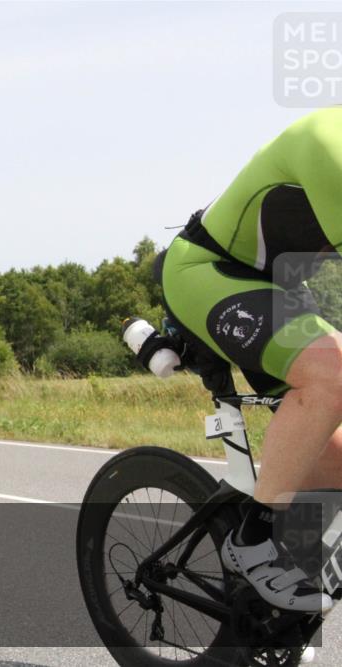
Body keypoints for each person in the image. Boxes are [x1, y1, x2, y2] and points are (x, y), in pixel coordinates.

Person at [160, 108, 342, 613]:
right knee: (333, 373)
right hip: (208, 271)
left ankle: (277, 603)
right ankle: (251, 540)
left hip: (276, 287)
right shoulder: (332, 143)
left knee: (336, 458)